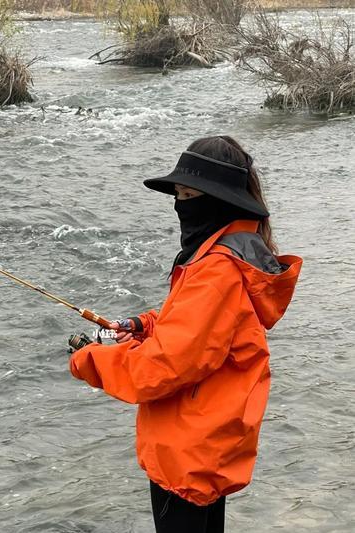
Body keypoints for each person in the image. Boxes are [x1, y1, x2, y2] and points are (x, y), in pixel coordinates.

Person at [68, 135, 302, 533]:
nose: (180, 204)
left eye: (189, 194)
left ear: (219, 200)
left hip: (187, 446)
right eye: (178, 193)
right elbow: (207, 329)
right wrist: (144, 325)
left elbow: (165, 366)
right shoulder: (235, 251)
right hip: (210, 436)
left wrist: (91, 358)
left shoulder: (215, 269)